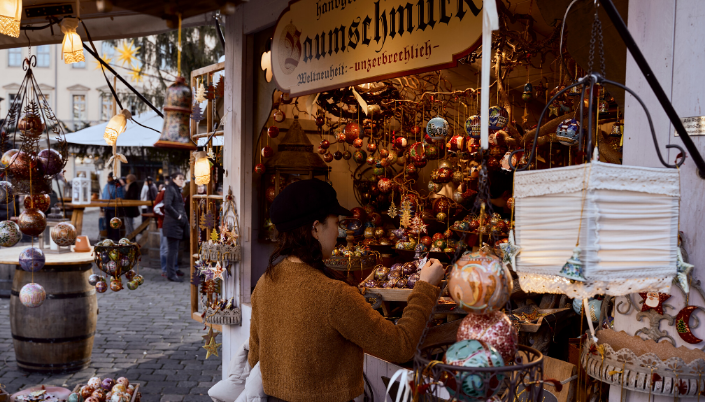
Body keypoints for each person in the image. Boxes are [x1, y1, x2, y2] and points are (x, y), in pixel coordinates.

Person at [248, 179, 444, 402]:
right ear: (315, 228)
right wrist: (426, 287)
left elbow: (255, 358)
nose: (338, 231)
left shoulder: (265, 282)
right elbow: (400, 346)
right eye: (335, 222)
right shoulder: (334, 294)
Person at [162, 171, 188, 282]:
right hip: (172, 224)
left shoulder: (176, 189)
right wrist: (178, 216)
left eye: (183, 179)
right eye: (180, 178)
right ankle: (171, 274)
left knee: (175, 250)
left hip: (177, 225)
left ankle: (173, 271)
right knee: (172, 251)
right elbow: (167, 205)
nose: (182, 181)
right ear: (173, 179)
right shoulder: (170, 189)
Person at [101, 172, 124, 242]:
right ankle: (109, 237)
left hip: (113, 208)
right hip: (106, 207)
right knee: (108, 224)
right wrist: (102, 205)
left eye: (109, 177)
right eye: (108, 177)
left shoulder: (117, 186)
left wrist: (118, 199)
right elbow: (103, 195)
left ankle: (116, 238)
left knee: (115, 223)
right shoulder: (106, 185)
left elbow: (120, 196)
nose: (108, 179)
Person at [152, 186, 169, 277]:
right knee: (165, 247)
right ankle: (165, 269)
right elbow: (156, 208)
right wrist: (165, 217)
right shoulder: (163, 192)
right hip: (164, 223)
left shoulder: (178, 191)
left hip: (174, 224)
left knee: (173, 248)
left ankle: (173, 268)